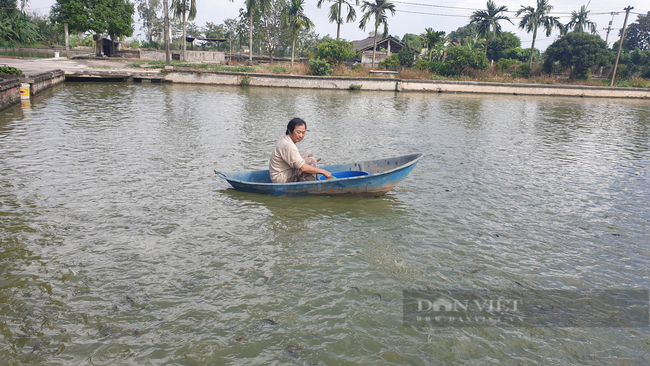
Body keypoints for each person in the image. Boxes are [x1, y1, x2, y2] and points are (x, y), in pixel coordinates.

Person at [269, 118, 333, 183]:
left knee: (309, 154)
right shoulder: (288, 145)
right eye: (298, 132)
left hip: (284, 171)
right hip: (280, 178)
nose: (301, 135)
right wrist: (323, 171)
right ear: (290, 131)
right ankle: (306, 188)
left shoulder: (285, 138)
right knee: (312, 161)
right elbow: (303, 168)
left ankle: (308, 178)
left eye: (303, 133)